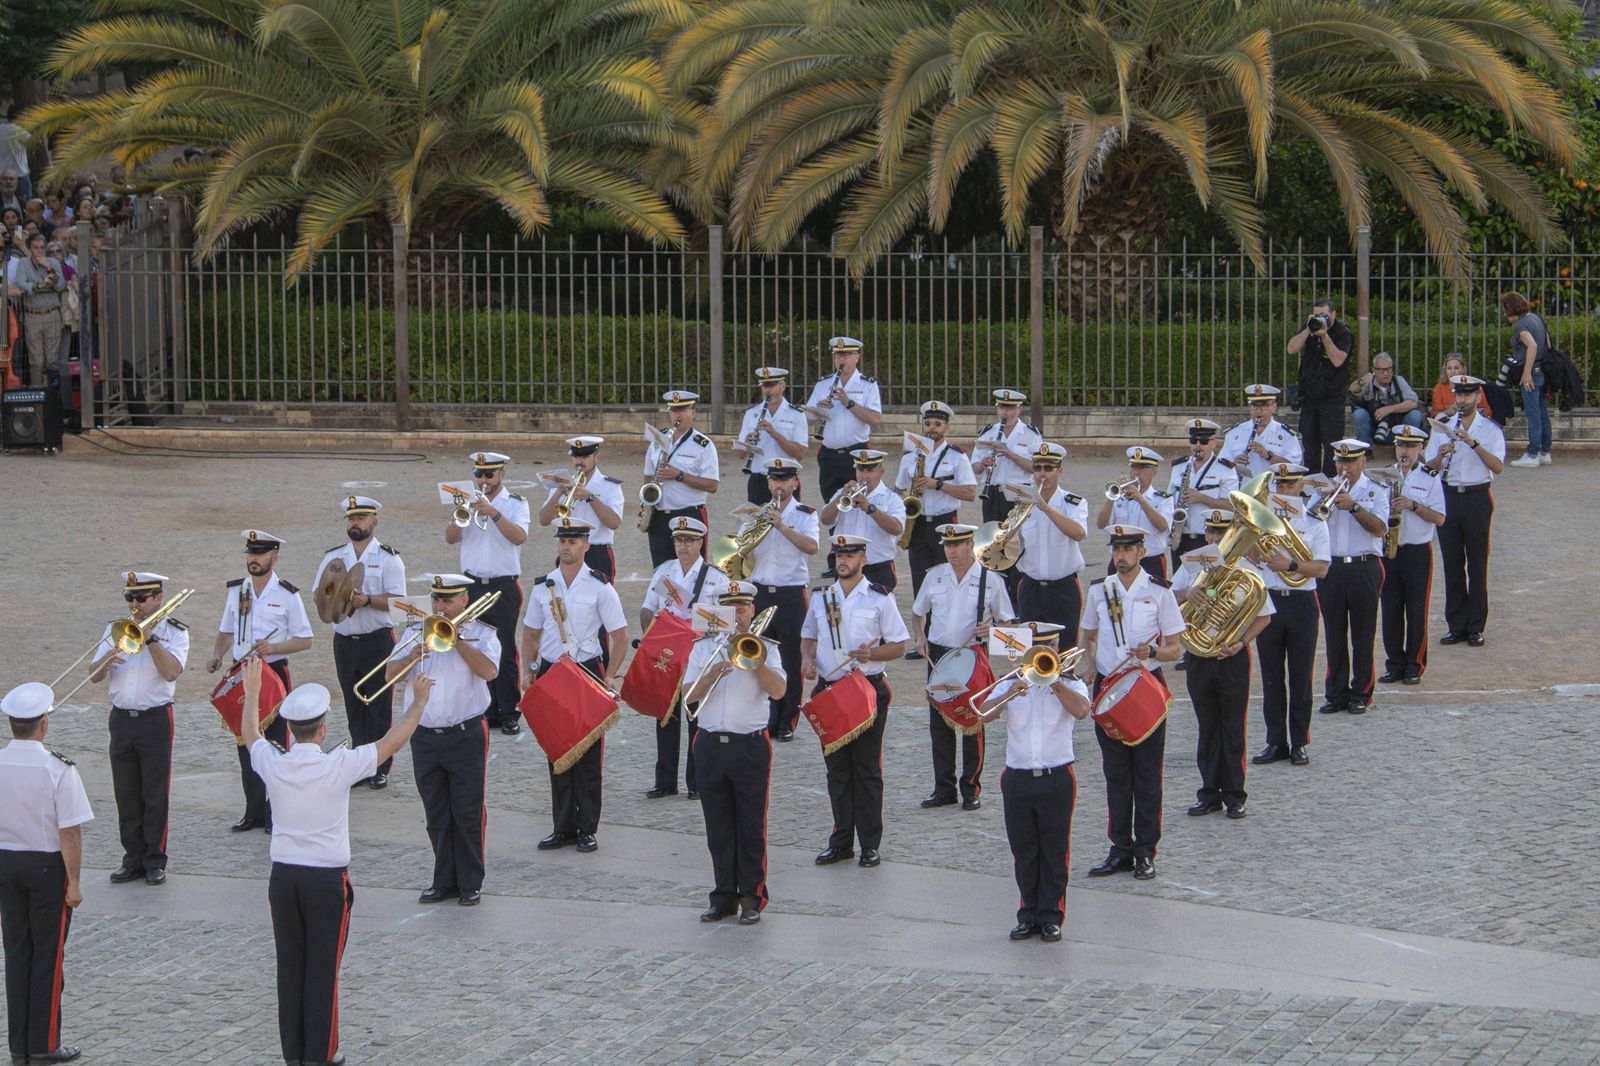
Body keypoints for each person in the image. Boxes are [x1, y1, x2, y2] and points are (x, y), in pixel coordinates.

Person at [241, 660, 428, 1066]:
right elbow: (392, 742)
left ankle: (295, 1052)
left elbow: (251, 735)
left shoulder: (275, 764)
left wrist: (253, 691)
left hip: (283, 879)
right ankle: (320, 1055)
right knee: (323, 970)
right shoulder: (337, 765)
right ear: (322, 729)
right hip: (326, 882)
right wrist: (417, 704)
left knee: (290, 968)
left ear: (290, 730)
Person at [972, 624, 1091, 943]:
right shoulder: (1013, 683)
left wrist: (1055, 684)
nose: (1041, 658)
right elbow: (982, 715)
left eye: (1047, 652)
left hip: (1056, 777)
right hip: (1017, 777)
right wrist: (1011, 692)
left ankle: (1052, 917)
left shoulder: (1071, 683)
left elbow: (1082, 712)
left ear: (1055, 652)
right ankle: (1028, 914)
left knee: (1054, 851)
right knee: (1024, 851)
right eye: (1036, 653)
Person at [1078, 527, 1185, 880]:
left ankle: (1145, 850)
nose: (1120, 556)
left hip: (1144, 685)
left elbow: (1175, 647)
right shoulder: (1099, 590)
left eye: (1127, 549)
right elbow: (1089, 634)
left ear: (1142, 551)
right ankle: (1120, 847)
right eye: (1117, 549)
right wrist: (1091, 663)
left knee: (1147, 773)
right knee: (1116, 773)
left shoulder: (1159, 592)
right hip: (1108, 684)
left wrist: (1153, 651)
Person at [389, 575, 499, 905]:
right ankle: (443, 879)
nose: (440, 606)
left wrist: (459, 642)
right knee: (436, 812)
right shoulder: (414, 632)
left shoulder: (482, 633)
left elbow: (490, 672)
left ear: (465, 600)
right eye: (437, 600)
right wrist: (411, 657)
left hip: (465, 734)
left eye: (448, 601)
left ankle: (470, 882)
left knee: (467, 811)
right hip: (423, 735)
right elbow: (387, 675)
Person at [681, 581, 787, 924]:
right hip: (710, 743)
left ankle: (752, 897)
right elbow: (688, 697)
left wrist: (755, 662)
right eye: (731, 609)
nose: (738, 615)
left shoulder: (765, 647)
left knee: (751, 825)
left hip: (750, 745)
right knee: (719, 826)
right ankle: (722, 895)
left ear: (752, 610)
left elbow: (780, 691)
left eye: (743, 608)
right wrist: (714, 670)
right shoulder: (704, 647)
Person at [801, 535, 909, 868]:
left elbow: (900, 645)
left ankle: (870, 844)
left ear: (863, 558)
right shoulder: (823, 597)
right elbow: (809, 636)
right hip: (831, 689)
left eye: (849, 555)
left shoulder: (878, 598)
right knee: (837, 770)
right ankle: (841, 840)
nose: (842, 560)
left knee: (866, 769)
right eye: (838, 555)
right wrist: (806, 659)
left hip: (865, 688)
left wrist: (872, 653)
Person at [521, 523, 629, 853]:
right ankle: (563, 826)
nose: (566, 547)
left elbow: (620, 637)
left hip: (587, 670)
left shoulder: (599, 587)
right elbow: (530, 635)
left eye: (572, 542)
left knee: (589, 754)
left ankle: (587, 828)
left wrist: (610, 675)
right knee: (557, 750)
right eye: (562, 542)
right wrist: (526, 671)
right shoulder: (544, 587)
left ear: (586, 546)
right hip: (554, 671)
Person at [0, 683, 91, 1066]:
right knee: (48, 958)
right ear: (44, 724)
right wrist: (74, 882)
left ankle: (19, 1045)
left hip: (6, 864)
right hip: (45, 868)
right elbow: (69, 831)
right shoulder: (57, 768)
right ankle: (44, 1043)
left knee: (17, 954)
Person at [207, 530, 314, 832]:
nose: (253, 559)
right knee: (245, 744)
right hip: (242, 670)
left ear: (274, 557)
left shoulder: (287, 594)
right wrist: (217, 655)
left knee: (277, 743)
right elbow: (227, 630)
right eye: (250, 554)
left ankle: (275, 812)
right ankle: (253, 810)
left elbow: (305, 640)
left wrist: (275, 648)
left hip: (273, 673)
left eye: (260, 554)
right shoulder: (236, 591)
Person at [89, 571, 188, 885]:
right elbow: (92, 676)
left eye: (141, 598)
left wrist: (152, 640)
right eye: (129, 598)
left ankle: (154, 860)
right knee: (126, 792)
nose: (135, 604)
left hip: (155, 719)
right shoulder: (114, 629)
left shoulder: (175, 632)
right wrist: (107, 658)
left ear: (158, 599)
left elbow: (171, 673)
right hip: (121, 719)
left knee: (154, 793)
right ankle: (131, 858)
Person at [910, 523, 1014, 811]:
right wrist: (919, 638)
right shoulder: (934, 576)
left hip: (972, 654)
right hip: (939, 655)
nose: (951, 551)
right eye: (947, 545)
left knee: (972, 722)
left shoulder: (990, 580)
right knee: (939, 722)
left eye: (957, 545)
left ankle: (970, 787)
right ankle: (943, 787)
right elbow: (918, 614)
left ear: (971, 546)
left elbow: (1007, 624)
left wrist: (990, 630)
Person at [1173, 529, 1274, 820]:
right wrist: (1185, 593)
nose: (1215, 538)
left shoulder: (1245, 569)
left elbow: (1264, 617)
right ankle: (1208, 793)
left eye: (1222, 532)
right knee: (1206, 726)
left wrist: (1241, 643)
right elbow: (1166, 593)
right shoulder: (1193, 563)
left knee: (1232, 727)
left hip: (1231, 656)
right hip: (1198, 654)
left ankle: (1234, 795)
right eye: (1211, 532)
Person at [313, 496, 405, 789]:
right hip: (345, 641)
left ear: (374, 522)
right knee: (353, 705)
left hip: (377, 640)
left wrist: (368, 601)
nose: (355, 523)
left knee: (378, 706)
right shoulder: (334, 558)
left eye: (361, 518)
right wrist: (328, 596)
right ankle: (358, 764)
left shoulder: (389, 558)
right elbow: (320, 595)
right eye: (351, 519)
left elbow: (399, 603)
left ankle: (379, 766)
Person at [639, 517, 729, 799]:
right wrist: (653, 635)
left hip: (698, 654)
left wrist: (694, 623)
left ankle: (696, 782)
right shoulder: (665, 572)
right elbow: (647, 609)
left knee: (696, 719)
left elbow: (726, 622)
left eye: (688, 541)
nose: (683, 546)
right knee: (665, 717)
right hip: (667, 655)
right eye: (679, 541)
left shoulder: (717, 577)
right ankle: (665, 780)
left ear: (701, 542)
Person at [1249, 466, 1330, 767]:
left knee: (1300, 676)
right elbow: (1252, 557)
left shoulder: (1314, 521)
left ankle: (1299, 742)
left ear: (1301, 486)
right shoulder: (1264, 522)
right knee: (1270, 677)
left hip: (1301, 601)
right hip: (1269, 602)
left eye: (1289, 484)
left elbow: (1321, 568)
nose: (1283, 489)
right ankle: (1275, 741)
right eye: (1279, 484)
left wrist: (1291, 564)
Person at [445, 451, 529, 735]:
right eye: (478, 474)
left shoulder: (515, 503)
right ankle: (483, 708)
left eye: (489, 474)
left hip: (502, 584)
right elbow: (449, 538)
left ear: (501, 474)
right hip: (469, 585)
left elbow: (519, 537)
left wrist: (494, 513)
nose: (483, 480)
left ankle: (508, 710)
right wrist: (464, 514)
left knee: (504, 649)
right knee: (472, 645)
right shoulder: (465, 501)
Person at [1425, 376, 1506, 647]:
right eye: (1458, 395)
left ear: (1478, 397)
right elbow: (1430, 468)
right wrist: (1440, 455)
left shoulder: (1490, 430)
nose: (1462, 400)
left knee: (1477, 563)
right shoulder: (1442, 427)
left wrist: (1472, 443)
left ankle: (1476, 626)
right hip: (1448, 496)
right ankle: (1456, 625)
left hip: (1476, 496)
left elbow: (1497, 466)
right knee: (1452, 563)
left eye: (1467, 395)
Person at [745, 458, 820, 740]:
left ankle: (787, 719)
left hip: (790, 594)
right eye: (774, 480)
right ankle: (767, 716)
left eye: (784, 480)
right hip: (760, 592)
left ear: (794, 483)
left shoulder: (805, 514)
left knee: (791, 659)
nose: (778, 484)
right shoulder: (756, 514)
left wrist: (782, 527)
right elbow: (740, 551)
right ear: (768, 483)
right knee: (759, 655)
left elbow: (811, 547)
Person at [1316, 440, 1391, 715]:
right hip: (1332, 567)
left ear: (1363, 463)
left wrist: (1354, 506)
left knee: (1363, 634)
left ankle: (1362, 693)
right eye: (1340, 462)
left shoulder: (1376, 490)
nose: (1344, 467)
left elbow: (1380, 529)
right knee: (1334, 634)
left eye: (1349, 462)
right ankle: (1336, 694)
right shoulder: (1324, 487)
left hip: (1364, 566)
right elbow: (1311, 522)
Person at [1377, 427, 1446, 685]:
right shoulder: (1383, 476)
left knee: (1417, 610)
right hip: (1389, 548)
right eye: (1400, 446)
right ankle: (1394, 663)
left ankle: (1415, 664)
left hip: (1417, 550)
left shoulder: (1429, 477)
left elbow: (1440, 517)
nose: (1404, 451)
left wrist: (1413, 505)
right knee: (1391, 609)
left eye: (1409, 446)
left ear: (1420, 449)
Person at [896, 401, 978, 597]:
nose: (932, 428)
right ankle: (923, 626)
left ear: (947, 426)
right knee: (920, 580)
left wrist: (938, 485)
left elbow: (971, 493)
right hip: (918, 523)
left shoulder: (957, 456)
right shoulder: (910, 456)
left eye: (937, 424)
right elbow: (898, 489)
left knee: (947, 578)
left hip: (945, 522)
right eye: (928, 423)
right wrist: (907, 501)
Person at [972, 389, 1042, 604]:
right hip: (992, 493)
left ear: (1019, 409)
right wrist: (983, 464)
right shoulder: (987, 433)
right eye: (1002, 407)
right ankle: (996, 597)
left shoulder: (1031, 434)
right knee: (993, 545)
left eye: (1010, 408)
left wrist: (1010, 454)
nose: (1006, 412)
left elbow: (1036, 467)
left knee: (1017, 547)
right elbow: (973, 467)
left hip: (1017, 494)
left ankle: (1018, 596)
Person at [1013, 443, 1088, 645]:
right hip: (1031, 587)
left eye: (1048, 468)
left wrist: (1046, 509)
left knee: (1065, 651)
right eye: (1037, 468)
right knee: (1030, 653)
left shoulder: (1073, 502)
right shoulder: (1022, 502)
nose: (1042, 474)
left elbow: (1079, 533)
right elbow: (1014, 546)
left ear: (1060, 470)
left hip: (1063, 588)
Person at [642, 391, 720, 567]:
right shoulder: (657, 439)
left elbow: (712, 485)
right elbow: (648, 473)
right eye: (674, 410)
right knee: (661, 570)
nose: (677, 414)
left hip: (689, 514)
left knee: (692, 569)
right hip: (659, 515)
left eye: (683, 409)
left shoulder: (704, 445)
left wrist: (679, 476)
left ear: (693, 412)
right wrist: (647, 500)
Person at [805, 337, 883, 505]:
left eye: (847, 355)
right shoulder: (823, 384)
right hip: (829, 455)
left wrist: (849, 403)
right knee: (831, 505)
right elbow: (807, 420)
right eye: (838, 355)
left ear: (857, 357)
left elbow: (875, 420)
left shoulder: (867, 385)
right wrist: (818, 409)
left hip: (856, 455)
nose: (841, 359)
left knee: (858, 505)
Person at [538, 436, 624, 582]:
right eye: (576, 456)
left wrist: (590, 497)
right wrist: (558, 493)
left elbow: (614, 523)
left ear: (597, 457)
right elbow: (543, 520)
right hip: (568, 551)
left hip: (597, 553)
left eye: (584, 456)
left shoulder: (610, 486)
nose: (579, 461)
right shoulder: (562, 482)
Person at [817, 448, 905, 590]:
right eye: (860, 470)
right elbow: (825, 520)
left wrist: (870, 509)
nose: (864, 476)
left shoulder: (892, 498)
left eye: (870, 471)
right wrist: (839, 500)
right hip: (846, 567)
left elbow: (897, 529)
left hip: (878, 569)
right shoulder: (844, 493)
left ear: (881, 472)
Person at [1287, 298, 1355, 475]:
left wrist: (1324, 336)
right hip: (1309, 395)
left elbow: (1338, 360)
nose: (1320, 318)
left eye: (1324, 315)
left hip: (1332, 397)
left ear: (1333, 315)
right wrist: (1309, 328)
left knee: (1331, 443)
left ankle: (1329, 481)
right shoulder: (1310, 326)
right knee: (1310, 442)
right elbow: (1291, 349)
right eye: (1317, 315)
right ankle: (1311, 480)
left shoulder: (1342, 332)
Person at [1166, 419, 1239, 573]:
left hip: (1208, 538)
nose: (1198, 445)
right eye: (1194, 440)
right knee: (1181, 586)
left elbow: (1233, 507)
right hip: (1181, 537)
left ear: (1214, 443)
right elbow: (1169, 500)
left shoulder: (1226, 469)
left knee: (1204, 586)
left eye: (1204, 441)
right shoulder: (1179, 466)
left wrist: (1202, 498)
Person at [1095, 446, 1175, 580]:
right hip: (1120, 560)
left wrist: (1141, 499)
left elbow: (1162, 526)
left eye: (1142, 468)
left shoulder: (1163, 500)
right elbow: (1101, 524)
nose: (1137, 473)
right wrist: (1111, 499)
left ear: (1154, 471)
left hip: (1150, 561)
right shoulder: (1120, 497)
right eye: (1134, 467)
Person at [736, 367, 809, 503]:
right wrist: (746, 444)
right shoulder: (751, 413)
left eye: (771, 385)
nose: (767, 390)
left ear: (782, 386)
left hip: (786, 478)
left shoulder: (797, 414)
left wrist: (774, 434)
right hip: (759, 479)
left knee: (787, 521)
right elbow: (740, 455)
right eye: (764, 386)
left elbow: (800, 454)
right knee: (758, 523)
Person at [1500, 291, 1553, 467]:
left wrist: (1527, 372)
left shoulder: (1521, 325)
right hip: (1542, 371)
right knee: (1542, 411)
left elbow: (1533, 345)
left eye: (1504, 308)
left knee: (1533, 413)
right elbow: (1547, 345)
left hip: (1531, 373)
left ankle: (1532, 455)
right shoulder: (1536, 318)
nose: (1503, 312)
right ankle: (1544, 451)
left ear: (1510, 307)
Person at [6, 232, 66, 385]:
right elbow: (21, 285)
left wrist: (49, 269)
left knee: (51, 360)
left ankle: (52, 396)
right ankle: (38, 393)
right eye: (35, 247)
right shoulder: (23, 263)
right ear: (29, 248)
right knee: (36, 360)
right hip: (33, 315)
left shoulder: (53, 262)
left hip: (52, 313)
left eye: (42, 247)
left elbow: (60, 286)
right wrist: (39, 285)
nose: (39, 251)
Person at [1221, 384, 1305, 480]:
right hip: (1243, 491)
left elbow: (1293, 468)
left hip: (1272, 491)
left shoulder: (1286, 435)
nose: (1259, 411)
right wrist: (1234, 463)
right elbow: (1222, 464)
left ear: (1274, 407)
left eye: (1264, 405)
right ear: (1249, 407)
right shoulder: (1235, 432)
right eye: (1254, 406)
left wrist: (1267, 455)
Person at [1348, 353, 1424, 446]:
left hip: (1397, 428)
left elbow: (1413, 402)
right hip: (1374, 427)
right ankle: (1365, 449)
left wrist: (1389, 409)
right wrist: (1360, 382)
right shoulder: (1369, 382)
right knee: (1359, 414)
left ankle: (1404, 448)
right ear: (1374, 370)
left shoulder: (1398, 381)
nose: (1386, 373)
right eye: (1381, 370)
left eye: (1388, 369)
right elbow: (1352, 389)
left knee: (1415, 415)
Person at [1429, 353, 1490, 419]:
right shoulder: (1439, 388)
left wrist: (1469, 410)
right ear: (1445, 370)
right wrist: (1447, 412)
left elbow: (1487, 411)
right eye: (1449, 368)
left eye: (1456, 368)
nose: (1452, 371)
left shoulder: (1475, 387)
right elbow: (1434, 414)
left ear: (1463, 369)